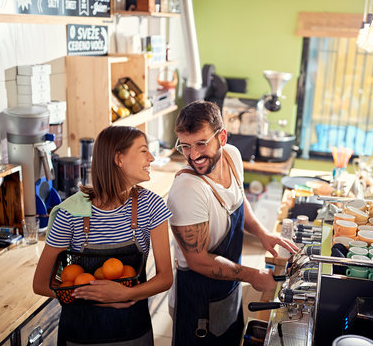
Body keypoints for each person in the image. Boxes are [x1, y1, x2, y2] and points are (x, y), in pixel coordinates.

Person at [167, 101, 298, 345]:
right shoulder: (188, 189)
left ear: (222, 137)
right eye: (185, 146)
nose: (193, 155)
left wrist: (262, 233)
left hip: (227, 289)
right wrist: (252, 275)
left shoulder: (232, 157)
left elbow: (238, 200)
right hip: (197, 304)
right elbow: (197, 260)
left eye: (201, 143)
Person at [33, 126, 173, 345]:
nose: (152, 158)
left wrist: (124, 294)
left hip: (134, 334)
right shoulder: (70, 212)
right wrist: (99, 298)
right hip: (79, 337)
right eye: (144, 151)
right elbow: (40, 284)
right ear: (119, 158)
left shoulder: (152, 206)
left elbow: (165, 278)